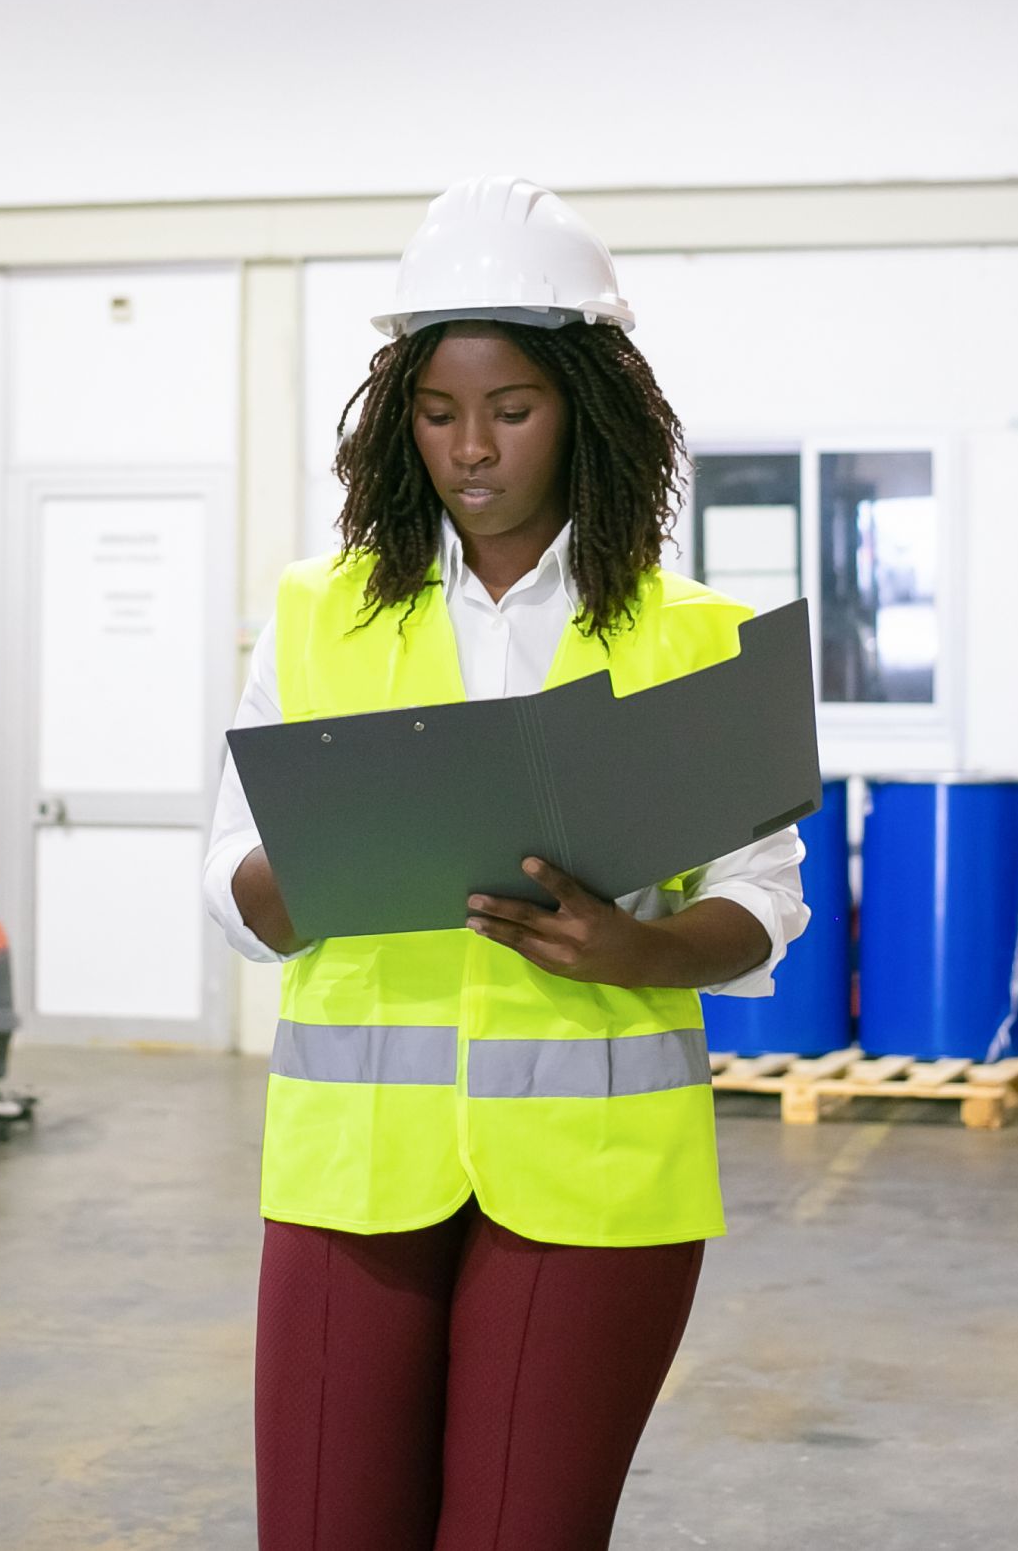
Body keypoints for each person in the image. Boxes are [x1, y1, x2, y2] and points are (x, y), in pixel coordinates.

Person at [204, 175, 810, 1551]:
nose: (470, 448)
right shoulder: (314, 619)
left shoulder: (691, 631)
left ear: (587, 409)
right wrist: (315, 870)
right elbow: (234, 875)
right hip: (353, 1175)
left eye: (513, 409)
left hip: (596, 1182)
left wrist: (643, 948)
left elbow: (764, 900)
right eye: (436, 412)